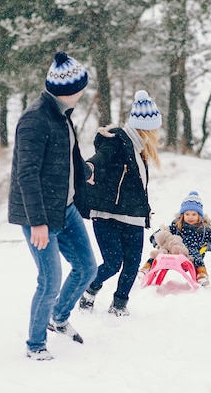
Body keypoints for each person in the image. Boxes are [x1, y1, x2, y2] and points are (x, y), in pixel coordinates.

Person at [8, 51, 97, 361]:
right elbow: (26, 175)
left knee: (87, 268)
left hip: (66, 207)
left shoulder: (61, 113)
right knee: (49, 280)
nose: (84, 92)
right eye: (82, 86)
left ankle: (57, 318)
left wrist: (85, 171)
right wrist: (38, 223)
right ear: (71, 89)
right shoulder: (35, 119)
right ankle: (35, 345)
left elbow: (63, 157)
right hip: (41, 216)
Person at [79, 90, 162, 316]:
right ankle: (88, 291)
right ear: (146, 128)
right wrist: (90, 167)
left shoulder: (139, 149)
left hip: (133, 214)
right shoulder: (117, 141)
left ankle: (119, 304)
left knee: (133, 263)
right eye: (155, 129)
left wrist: (144, 211)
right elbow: (101, 157)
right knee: (113, 262)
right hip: (107, 213)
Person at [139, 191, 211, 286]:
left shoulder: (204, 229)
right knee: (161, 253)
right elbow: (161, 233)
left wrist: (206, 247)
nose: (190, 217)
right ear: (182, 215)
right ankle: (146, 269)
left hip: (191, 256)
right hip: (174, 251)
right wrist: (156, 241)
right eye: (187, 214)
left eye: (194, 214)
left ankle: (201, 274)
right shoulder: (177, 225)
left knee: (195, 253)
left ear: (199, 216)